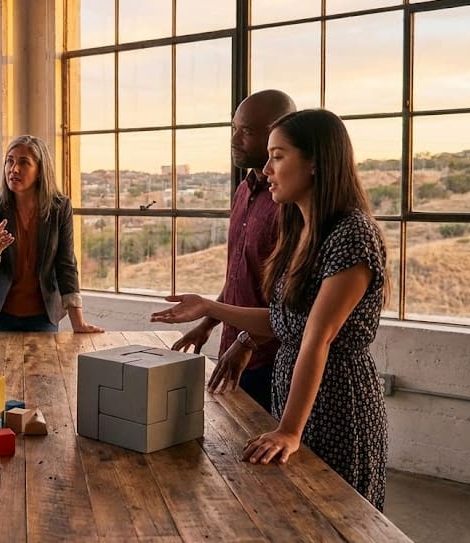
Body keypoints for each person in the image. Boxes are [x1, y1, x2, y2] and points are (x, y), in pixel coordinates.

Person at [151, 109, 389, 510]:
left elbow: (318, 337)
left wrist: (289, 432)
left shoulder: (353, 234)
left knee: (334, 520)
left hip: (336, 407)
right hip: (296, 401)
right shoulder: (300, 229)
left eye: (277, 156)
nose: (265, 168)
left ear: (316, 161)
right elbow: (284, 322)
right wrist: (210, 307)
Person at [171, 90, 296, 412]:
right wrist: (208, 322)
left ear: (277, 136)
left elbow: (295, 302)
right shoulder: (245, 190)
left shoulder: (291, 204)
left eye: (248, 132)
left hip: (271, 358)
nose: (235, 139)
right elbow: (243, 272)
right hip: (235, 349)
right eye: (233, 128)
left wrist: (247, 342)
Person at [0, 135, 102, 333]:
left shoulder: (60, 207)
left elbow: (66, 265)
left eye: (24, 162)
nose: (14, 169)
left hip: (42, 317)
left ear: (40, 171)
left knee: (43, 365)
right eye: (10, 160)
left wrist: (78, 323)